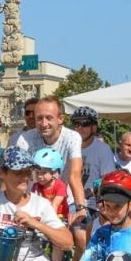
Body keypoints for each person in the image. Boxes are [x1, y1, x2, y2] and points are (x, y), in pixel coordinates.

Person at [10, 97, 87, 233]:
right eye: (39, 118)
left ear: (60, 119)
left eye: (49, 118)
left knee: (80, 236)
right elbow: (16, 174)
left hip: (63, 199)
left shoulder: (72, 137)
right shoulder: (25, 138)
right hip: (33, 198)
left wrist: (81, 208)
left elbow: (75, 175)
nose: (43, 123)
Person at [73, 106, 120, 204]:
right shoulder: (70, 146)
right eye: (77, 124)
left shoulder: (103, 149)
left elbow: (107, 178)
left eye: (85, 124)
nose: (80, 128)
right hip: (70, 202)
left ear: (94, 128)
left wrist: (90, 190)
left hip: (92, 204)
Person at [31, 146, 69, 219]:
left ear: (54, 173)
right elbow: (33, 204)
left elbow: (55, 205)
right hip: (43, 215)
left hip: (59, 216)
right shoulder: (36, 186)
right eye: (37, 172)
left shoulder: (60, 186)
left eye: (43, 172)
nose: (39, 176)